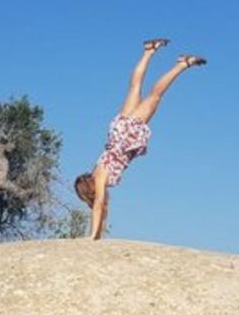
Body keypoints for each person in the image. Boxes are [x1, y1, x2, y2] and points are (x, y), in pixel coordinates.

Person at [74, 38, 207, 239]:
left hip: (126, 135)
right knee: (135, 87)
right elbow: (101, 207)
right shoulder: (96, 170)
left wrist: (93, 236)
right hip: (118, 132)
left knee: (155, 96)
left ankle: (182, 64)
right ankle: (148, 51)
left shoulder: (99, 178)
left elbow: (99, 204)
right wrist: (98, 232)